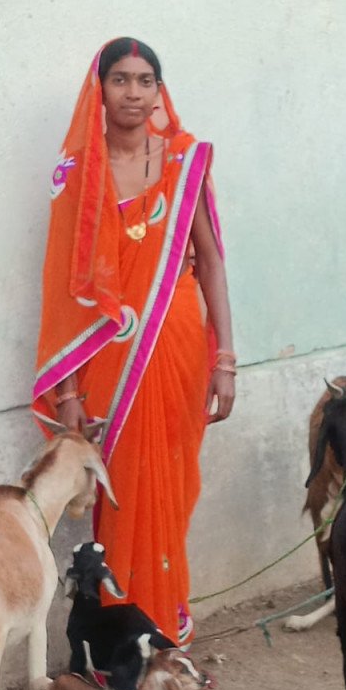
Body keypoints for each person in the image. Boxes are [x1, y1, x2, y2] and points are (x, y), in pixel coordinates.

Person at [33, 37, 234, 648]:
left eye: (146, 81)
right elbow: (65, 291)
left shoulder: (184, 161)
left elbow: (211, 262)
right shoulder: (76, 175)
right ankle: (124, 635)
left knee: (170, 484)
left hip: (178, 348)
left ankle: (166, 629)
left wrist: (225, 359)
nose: (134, 93)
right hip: (109, 359)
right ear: (99, 90)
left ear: (159, 91)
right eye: (120, 79)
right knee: (119, 492)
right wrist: (68, 392)